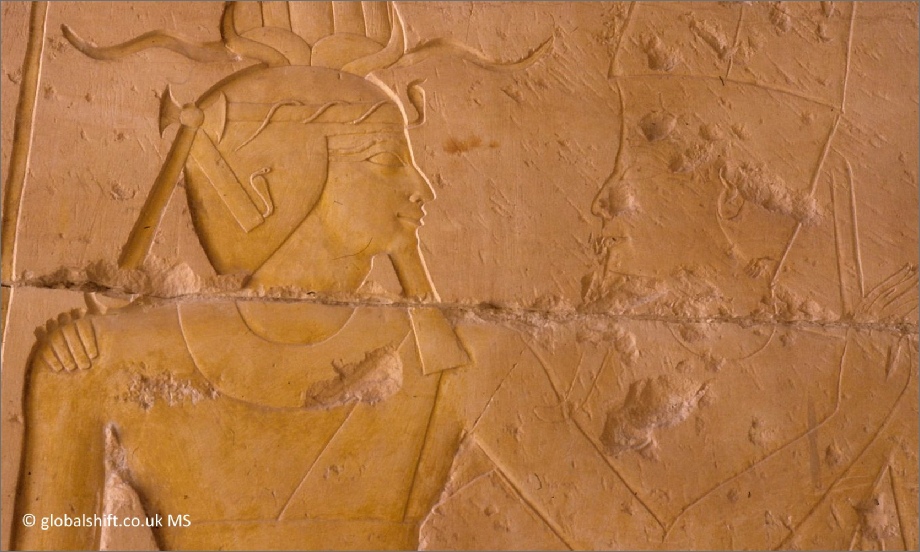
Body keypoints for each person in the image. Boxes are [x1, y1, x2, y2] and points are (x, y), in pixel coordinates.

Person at [13, 3, 550, 549]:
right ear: (286, 178)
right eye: (387, 161)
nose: (422, 188)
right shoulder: (99, 359)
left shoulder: (454, 364)